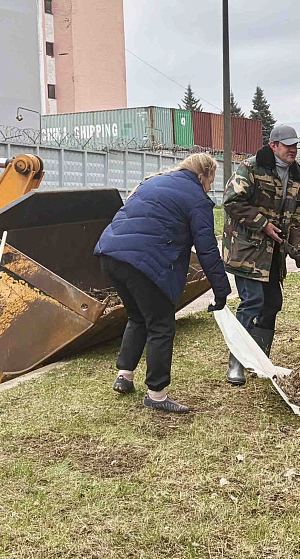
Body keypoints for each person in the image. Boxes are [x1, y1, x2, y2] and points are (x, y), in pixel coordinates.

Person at [93, 152, 231, 413]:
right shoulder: (196, 198)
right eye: (210, 182)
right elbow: (207, 249)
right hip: (143, 260)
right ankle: (157, 394)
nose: (209, 187)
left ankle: (125, 375)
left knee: (138, 316)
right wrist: (221, 290)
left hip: (110, 253)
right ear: (202, 176)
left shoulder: (152, 181)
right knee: (161, 324)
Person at [223, 122, 300, 385]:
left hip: (274, 252)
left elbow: (296, 217)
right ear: (273, 146)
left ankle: (260, 359)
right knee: (252, 302)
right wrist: (263, 224)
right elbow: (231, 202)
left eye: (296, 145)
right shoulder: (251, 167)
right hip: (247, 249)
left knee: (272, 303)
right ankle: (236, 363)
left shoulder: (297, 176)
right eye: (288, 145)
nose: (293, 150)